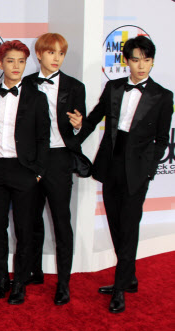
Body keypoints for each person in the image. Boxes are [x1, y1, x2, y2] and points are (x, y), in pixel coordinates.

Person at [77, 35, 173, 313]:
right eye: (135, 59)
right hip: (111, 164)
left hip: (137, 171)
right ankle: (128, 277)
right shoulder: (114, 87)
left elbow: (162, 138)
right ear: (126, 61)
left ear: (153, 61)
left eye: (146, 59)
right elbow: (95, 118)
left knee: (129, 228)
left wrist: (149, 171)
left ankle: (120, 288)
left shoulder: (163, 96)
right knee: (116, 225)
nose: (141, 65)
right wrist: (75, 138)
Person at [0, 40, 50, 305]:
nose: (16, 66)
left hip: (24, 171)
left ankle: (20, 281)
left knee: (24, 229)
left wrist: (38, 172)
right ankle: (1, 279)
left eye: (21, 61)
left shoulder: (37, 97)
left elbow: (44, 138)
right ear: (1, 64)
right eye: (11, 61)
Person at [23, 33, 88, 305]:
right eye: (51, 53)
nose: (56, 58)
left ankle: (63, 282)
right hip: (31, 160)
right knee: (31, 220)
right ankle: (34, 270)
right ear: (39, 55)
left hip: (60, 159)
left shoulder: (75, 86)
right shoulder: (25, 84)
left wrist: (77, 125)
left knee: (62, 222)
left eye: (61, 53)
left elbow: (80, 127)